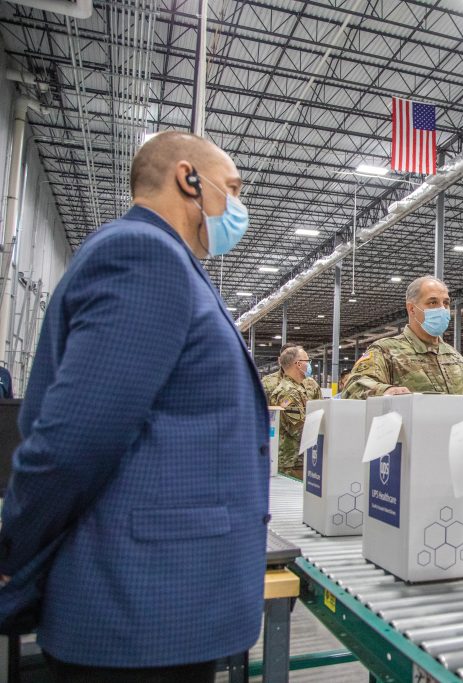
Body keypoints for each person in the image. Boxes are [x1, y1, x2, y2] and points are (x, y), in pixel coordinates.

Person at [0, 131, 269, 681]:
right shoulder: (145, 255)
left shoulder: (168, 263)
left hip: (156, 606)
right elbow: (73, 441)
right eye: (234, 189)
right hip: (139, 609)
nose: (239, 206)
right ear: (189, 177)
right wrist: (12, 555)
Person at [342, 276, 463, 398]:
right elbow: (352, 388)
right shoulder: (385, 351)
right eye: (433, 302)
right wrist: (385, 391)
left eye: (446, 303)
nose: (442, 309)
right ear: (411, 309)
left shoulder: (457, 359)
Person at [269, 345, 321, 478]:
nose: (310, 365)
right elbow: (299, 428)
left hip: (299, 460)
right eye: (307, 361)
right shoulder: (288, 392)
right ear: (298, 364)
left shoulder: (298, 388)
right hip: (292, 464)